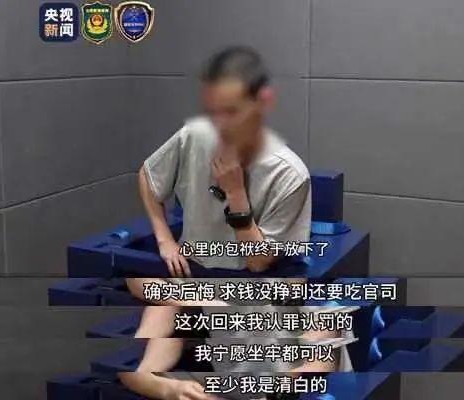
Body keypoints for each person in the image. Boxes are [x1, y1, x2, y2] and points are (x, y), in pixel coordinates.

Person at [119, 46, 352, 400]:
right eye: (213, 113)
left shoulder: (289, 176)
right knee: (153, 288)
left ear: (261, 104)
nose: (220, 126)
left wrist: (237, 196)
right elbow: (149, 179)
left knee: (324, 324)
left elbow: (259, 262)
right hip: (208, 290)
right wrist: (165, 239)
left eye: (232, 112)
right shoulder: (193, 138)